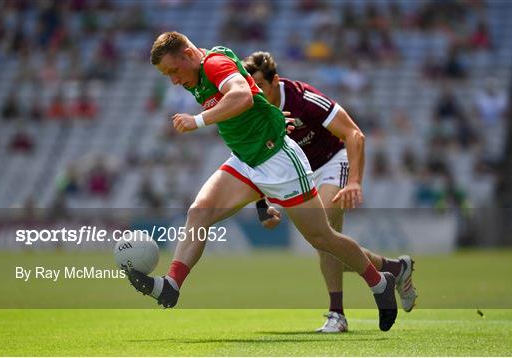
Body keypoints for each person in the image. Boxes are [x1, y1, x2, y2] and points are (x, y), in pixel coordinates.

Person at [126, 31, 398, 332]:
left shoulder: (213, 64)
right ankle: (171, 285)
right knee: (199, 211)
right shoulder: (196, 73)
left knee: (322, 238)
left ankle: (379, 282)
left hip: (278, 160)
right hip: (245, 161)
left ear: (189, 54)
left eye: (174, 71)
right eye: (168, 76)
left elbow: (241, 95)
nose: (174, 80)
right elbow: (251, 97)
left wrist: (198, 120)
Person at [243, 51, 417, 333]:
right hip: (301, 175)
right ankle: (394, 269)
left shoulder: (303, 99)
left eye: (259, 86)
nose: (255, 94)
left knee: (322, 230)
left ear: (275, 81)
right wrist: (262, 206)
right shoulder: (253, 108)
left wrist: (355, 183)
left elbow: (354, 135)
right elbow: (255, 157)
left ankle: (338, 314)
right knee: (324, 241)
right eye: (251, 88)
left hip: (333, 162)